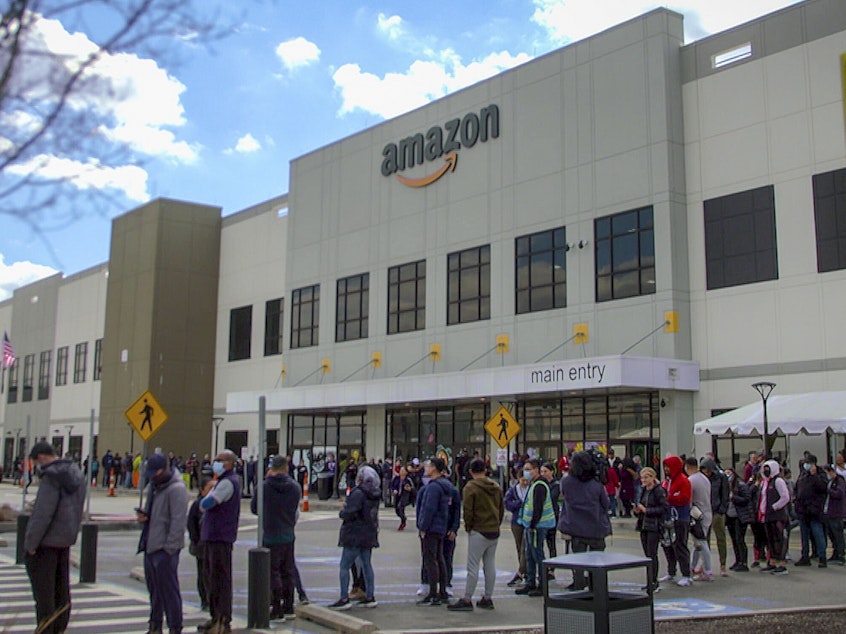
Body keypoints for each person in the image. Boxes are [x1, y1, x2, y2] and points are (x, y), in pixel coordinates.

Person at [23, 442, 85, 634]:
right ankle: (59, 627)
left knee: (44, 595)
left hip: (46, 544)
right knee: (61, 591)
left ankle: (46, 629)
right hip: (64, 541)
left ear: (40, 457)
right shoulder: (76, 473)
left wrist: (31, 544)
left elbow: (43, 514)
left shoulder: (51, 478)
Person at [136, 452, 189, 634]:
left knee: (169, 592)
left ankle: (175, 627)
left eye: (155, 474)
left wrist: (169, 549)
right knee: (155, 592)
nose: (152, 478)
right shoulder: (154, 486)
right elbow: (155, 515)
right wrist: (144, 517)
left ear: (163, 470)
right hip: (150, 544)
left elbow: (178, 522)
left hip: (164, 549)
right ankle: (155, 625)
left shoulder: (176, 489)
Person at [448, 458, 504, 611]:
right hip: (493, 529)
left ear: (471, 471)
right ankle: (487, 597)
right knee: (490, 564)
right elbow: (501, 508)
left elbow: (468, 511)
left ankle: (467, 599)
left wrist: (469, 527)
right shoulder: (496, 486)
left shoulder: (470, 487)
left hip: (478, 530)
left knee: (473, 566)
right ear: (485, 470)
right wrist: (496, 523)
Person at [251, 456, 301, 621]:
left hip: (271, 533)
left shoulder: (264, 486)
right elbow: (295, 509)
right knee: (288, 571)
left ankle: (276, 607)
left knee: (273, 572)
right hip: (288, 532)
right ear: (286, 468)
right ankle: (289, 605)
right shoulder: (295, 487)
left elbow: (254, 508)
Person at [198, 450, 241, 634]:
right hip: (213, 536)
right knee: (211, 578)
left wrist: (205, 499)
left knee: (219, 579)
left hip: (219, 537)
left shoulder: (226, 483)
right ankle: (215, 616)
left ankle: (222, 619)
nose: (215, 463)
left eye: (219, 460)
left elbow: (208, 503)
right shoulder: (223, 481)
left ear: (229, 463)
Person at [328, 465, 381, 610]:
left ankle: (344, 598)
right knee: (367, 565)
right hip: (369, 532)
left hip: (354, 534)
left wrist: (342, 513)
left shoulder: (358, 493)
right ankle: (370, 596)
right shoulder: (375, 493)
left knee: (344, 566)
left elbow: (350, 512)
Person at [557, 451, 612, 591]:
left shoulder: (566, 481)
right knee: (597, 561)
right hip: (596, 528)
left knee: (578, 561)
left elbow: (564, 497)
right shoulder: (596, 484)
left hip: (575, 528)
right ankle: (596, 588)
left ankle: (579, 585)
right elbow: (606, 504)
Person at [515, 458, 555, 597]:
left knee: (537, 555)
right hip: (530, 526)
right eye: (525, 469)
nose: (526, 472)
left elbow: (538, 507)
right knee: (529, 555)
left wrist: (532, 525)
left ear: (536, 470)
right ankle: (530, 582)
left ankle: (542, 585)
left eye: (528, 469)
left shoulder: (539, 485)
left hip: (537, 526)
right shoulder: (533, 484)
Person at [416, 457, 451, 606]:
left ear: (435, 468)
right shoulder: (446, 486)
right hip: (440, 527)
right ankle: (442, 591)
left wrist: (422, 527)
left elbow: (429, 509)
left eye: (428, 465)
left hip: (431, 528)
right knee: (440, 559)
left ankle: (433, 594)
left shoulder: (433, 487)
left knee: (430, 560)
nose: (426, 467)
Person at [633, 467, 668, 592]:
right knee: (647, 555)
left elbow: (664, 508)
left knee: (652, 554)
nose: (644, 480)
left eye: (646, 477)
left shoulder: (658, 491)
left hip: (654, 525)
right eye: (642, 478)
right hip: (644, 525)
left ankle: (654, 581)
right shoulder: (643, 491)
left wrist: (647, 511)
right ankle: (649, 580)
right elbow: (641, 506)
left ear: (653, 478)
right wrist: (637, 511)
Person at [659, 455, 692, 586]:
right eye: (665, 467)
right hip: (667, 517)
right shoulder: (666, 481)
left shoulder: (683, 480)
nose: (666, 469)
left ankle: (686, 574)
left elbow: (684, 498)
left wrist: (669, 497)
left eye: (668, 466)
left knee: (680, 545)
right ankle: (671, 572)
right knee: (667, 546)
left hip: (681, 517)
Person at [793, 454, 828, 568]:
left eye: (807, 463)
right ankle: (805, 556)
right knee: (804, 535)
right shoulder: (803, 474)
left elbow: (823, 488)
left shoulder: (820, 474)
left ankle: (822, 557)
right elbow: (797, 488)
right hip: (803, 510)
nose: (805, 465)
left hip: (814, 510)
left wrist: (814, 475)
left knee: (818, 533)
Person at [758, 459, 790, 574]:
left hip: (778, 516)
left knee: (779, 539)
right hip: (767, 516)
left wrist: (774, 507)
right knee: (770, 539)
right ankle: (772, 562)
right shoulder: (765, 482)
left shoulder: (778, 481)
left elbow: (785, 497)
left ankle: (782, 563)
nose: (766, 471)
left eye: (768, 469)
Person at [685, 457, 714, 582]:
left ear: (687, 467)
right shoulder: (704, 478)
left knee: (701, 543)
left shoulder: (691, 480)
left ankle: (707, 570)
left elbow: (689, 499)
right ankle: (692, 566)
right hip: (707, 512)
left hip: (697, 514)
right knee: (698, 543)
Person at [188, 477, 213, 611]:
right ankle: (205, 600)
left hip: (212, 545)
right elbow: (191, 524)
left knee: (212, 574)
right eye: (209, 488)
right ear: (201, 490)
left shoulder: (215, 503)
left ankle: (211, 599)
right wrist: (196, 540)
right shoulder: (197, 505)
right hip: (201, 545)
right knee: (203, 574)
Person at [724, 468, 754, 571]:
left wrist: (734, 498)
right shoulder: (726, 486)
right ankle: (738, 560)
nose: (727, 475)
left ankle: (744, 562)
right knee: (734, 540)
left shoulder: (741, 485)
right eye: (725, 473)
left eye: (729, 473)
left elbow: (746, 499)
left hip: (740, 516)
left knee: (740, 539)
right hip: (730, 516)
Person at [503, 474, 529, 586]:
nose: (524, 482)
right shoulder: (513, 490)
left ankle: (521, 572)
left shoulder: (532, 489)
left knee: (525, 548)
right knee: (519, 547)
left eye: (526, 480)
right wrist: (518, 504)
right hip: (517, 522)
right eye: (522, 480)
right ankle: (524, 571)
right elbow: (507, 503)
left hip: (528, 521)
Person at [822, 464, 846, 564]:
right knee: (831, 534)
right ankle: (835, 553)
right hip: (828, 511)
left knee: (838, 534)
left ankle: (841, 555)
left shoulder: (839, 481)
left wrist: (828, 490)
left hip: (836, 512)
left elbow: (839, 493)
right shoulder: (829, 482)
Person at [391, 466, 415, 530]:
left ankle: (403, 521)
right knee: (397, 510)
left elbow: (413, 489)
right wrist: (394, 490)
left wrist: (409, 489)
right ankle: (403, 518)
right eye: (400, 470)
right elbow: (392, 485)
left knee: (400, 507)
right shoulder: (396, 478)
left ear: (406, 472)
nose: (401, 472)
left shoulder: (408, 479)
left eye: (403, 471)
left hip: (405, 496)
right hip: (397, 496)